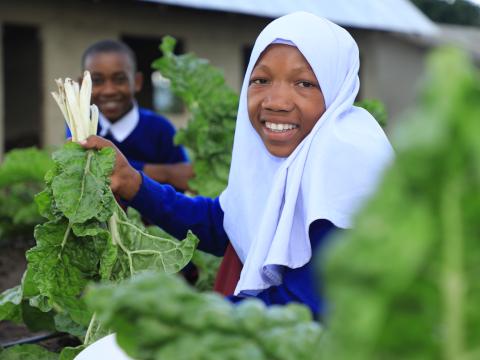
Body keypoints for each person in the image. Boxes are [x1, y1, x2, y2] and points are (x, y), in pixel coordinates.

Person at [81, 12, 393, 319]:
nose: (276, 101)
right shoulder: (287, 158)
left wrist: (174, 315)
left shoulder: (346, 161)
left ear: (337, 89)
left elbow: (306, 306)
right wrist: (133, 182)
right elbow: (224, 225)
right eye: (261, 80)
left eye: (304, 83)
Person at [70, 39, 193, 191]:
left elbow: (183, 178)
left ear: (137, 81)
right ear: (83, 85)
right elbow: (86, 170)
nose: (109, 90)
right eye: (97, 81)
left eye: (120, 79)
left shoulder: (160, 129)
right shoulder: (80, 124)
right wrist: (165, 173)